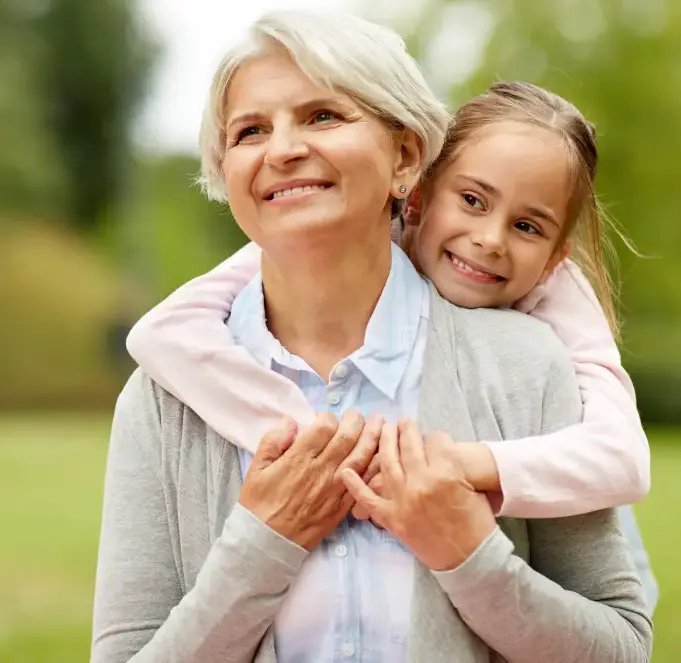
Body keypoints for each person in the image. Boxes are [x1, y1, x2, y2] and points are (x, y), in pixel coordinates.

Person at [92, 10, 652, 663]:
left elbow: (621, 647)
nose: (281, 149)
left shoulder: (528, 365)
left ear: (407, 157)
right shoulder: (161, 400)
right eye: (249, 130)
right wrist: (258, 548)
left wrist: (471, 557)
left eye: (323, 116)